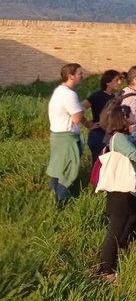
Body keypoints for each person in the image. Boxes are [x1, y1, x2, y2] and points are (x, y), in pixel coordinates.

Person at [97, 103, 136, 282]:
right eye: (130, 114)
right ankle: (106, 271)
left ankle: (118, 255)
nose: (133, 115)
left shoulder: (125, 137)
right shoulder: (119, 138)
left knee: (132, 217)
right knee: (115, 230)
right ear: (123, 118)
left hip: (126, 191)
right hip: (119, 192)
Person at [47, 62, 86, 208]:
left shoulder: (59, 90)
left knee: (58, 169)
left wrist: (86, 121)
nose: (82, 76)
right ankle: (61, 205)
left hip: (57, 136)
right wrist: (81, 108)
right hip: (66, 138)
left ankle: (51, 200)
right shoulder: (69, 94)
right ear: (71, 76)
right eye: (79, 74)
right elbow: (76, 118)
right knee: (67, 172)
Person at [85, 69, 123, 164]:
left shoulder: (113, 97)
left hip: (109, 135)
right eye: (116, 80)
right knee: (99, 165)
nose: (119, 82)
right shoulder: (97, 96)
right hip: (98, 135)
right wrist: (88, 124)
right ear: (107, 82)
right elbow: (80, 108)